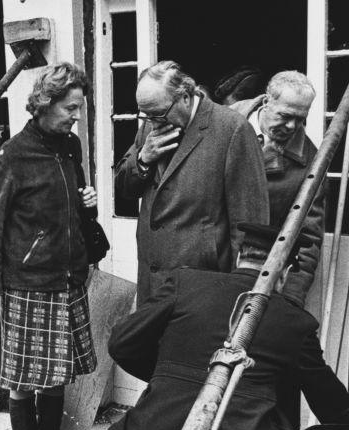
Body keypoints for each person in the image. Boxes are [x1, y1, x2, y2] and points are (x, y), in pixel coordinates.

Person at [100, 223, 349, 430]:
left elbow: (122, 342)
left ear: (239, 256)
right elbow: (329, 403)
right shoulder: (295, 321)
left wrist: (167, 375)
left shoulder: (184, 283)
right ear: (286, 272)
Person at [0, 63, 100, 430]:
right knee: (25, 382)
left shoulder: (70, 146)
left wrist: (87, 202)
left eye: (80, 108)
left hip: (68, 280)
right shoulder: (11, 156)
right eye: (71, 108)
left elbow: (69, 206)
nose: (76, 117)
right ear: (45, 104)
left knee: (58, 375)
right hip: (27, 286)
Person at [114, 60, 270, 303]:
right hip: (152, 284)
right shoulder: (150, 126)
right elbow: (122, 187)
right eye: (147, 115)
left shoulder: (232, 130)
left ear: (186, 96)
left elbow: (250, 224)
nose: (153, 122)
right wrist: (143, 159)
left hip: (203, 287)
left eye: (159, 114)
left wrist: (238, 290)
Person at [232, 71, 325, 307]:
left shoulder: (311, 162)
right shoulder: (223, 123)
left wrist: (292, 298)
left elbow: (308, 238)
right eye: (285, 115)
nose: (292, 126)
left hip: (257, 276)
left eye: (300, 119)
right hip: (210, 265)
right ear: (266, 102)